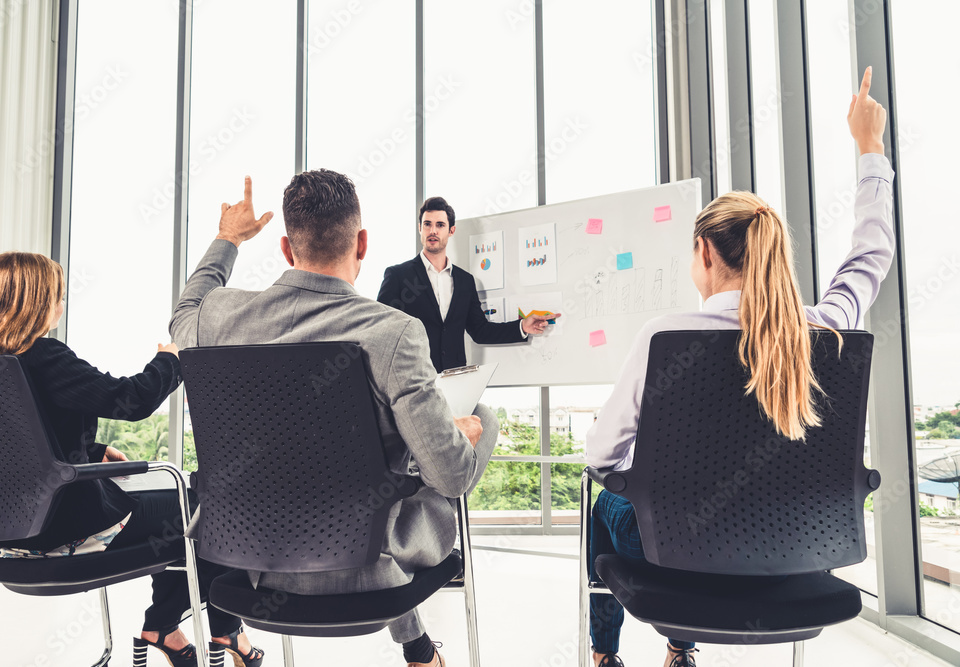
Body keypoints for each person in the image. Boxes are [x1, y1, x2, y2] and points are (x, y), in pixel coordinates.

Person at [583, 66, 892, 667]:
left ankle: (606, 655)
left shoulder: (664, 338)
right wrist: (870, 147)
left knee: (603, 503)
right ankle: (680, 650)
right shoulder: (827, 332)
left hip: (674, 548)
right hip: (797, 545)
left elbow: (600, 457)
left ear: (703, 251)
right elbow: (871, 256)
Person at [170, 170, 498, 667]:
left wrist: (228, 238)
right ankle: (418, 649)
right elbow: (450, 478)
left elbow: (183, 312)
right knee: (478, 420)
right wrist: (463, 434)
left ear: (285, 248)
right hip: (370, 566)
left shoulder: (221, 318)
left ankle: (418, 646)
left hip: (253, 560)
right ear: (362, 243)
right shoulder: (395, 333)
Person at [0, 253, 264, 667]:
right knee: (212, 509)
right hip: (72, 529)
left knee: (177, 511)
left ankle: (169, 630)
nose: (61, 305)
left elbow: (23, 440)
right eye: (58, 296)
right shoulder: (44, 356)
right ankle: (222, 634)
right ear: (33, 301)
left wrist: (93, 451)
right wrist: (171, 359)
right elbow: (132, 399)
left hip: (17, 533)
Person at [377, 196, 560, 372]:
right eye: (427, 224)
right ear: (420, 228)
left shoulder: (465, 281)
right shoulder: (398, 276)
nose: (433, 231)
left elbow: (480, 331)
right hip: (413, 381)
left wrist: (522, 326)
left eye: (440, 225)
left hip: (455, 381)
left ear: (451, 231)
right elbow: (382, 331)